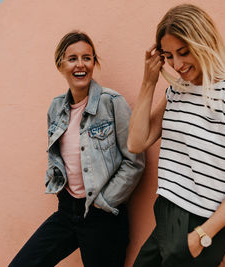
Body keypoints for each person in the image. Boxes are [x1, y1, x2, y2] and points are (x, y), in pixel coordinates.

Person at [128, 4, 225, 267]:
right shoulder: (177, 90)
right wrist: (149, 81)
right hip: (166, 216)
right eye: (169, 55)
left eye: (184, 52)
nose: (177, 64)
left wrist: (202, 235)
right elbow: (136, 142)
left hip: (198, 223)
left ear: (204, 42)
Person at [9, 31, 145, 267]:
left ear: (94, 62)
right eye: (72, 58)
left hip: (103, 215)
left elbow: (134, 161)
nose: (80, 65)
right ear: (60, 64)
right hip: (67, 210)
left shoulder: (112, 102)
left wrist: (104, 201)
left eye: (87, 58)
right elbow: (56, 155)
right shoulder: (55, 108)